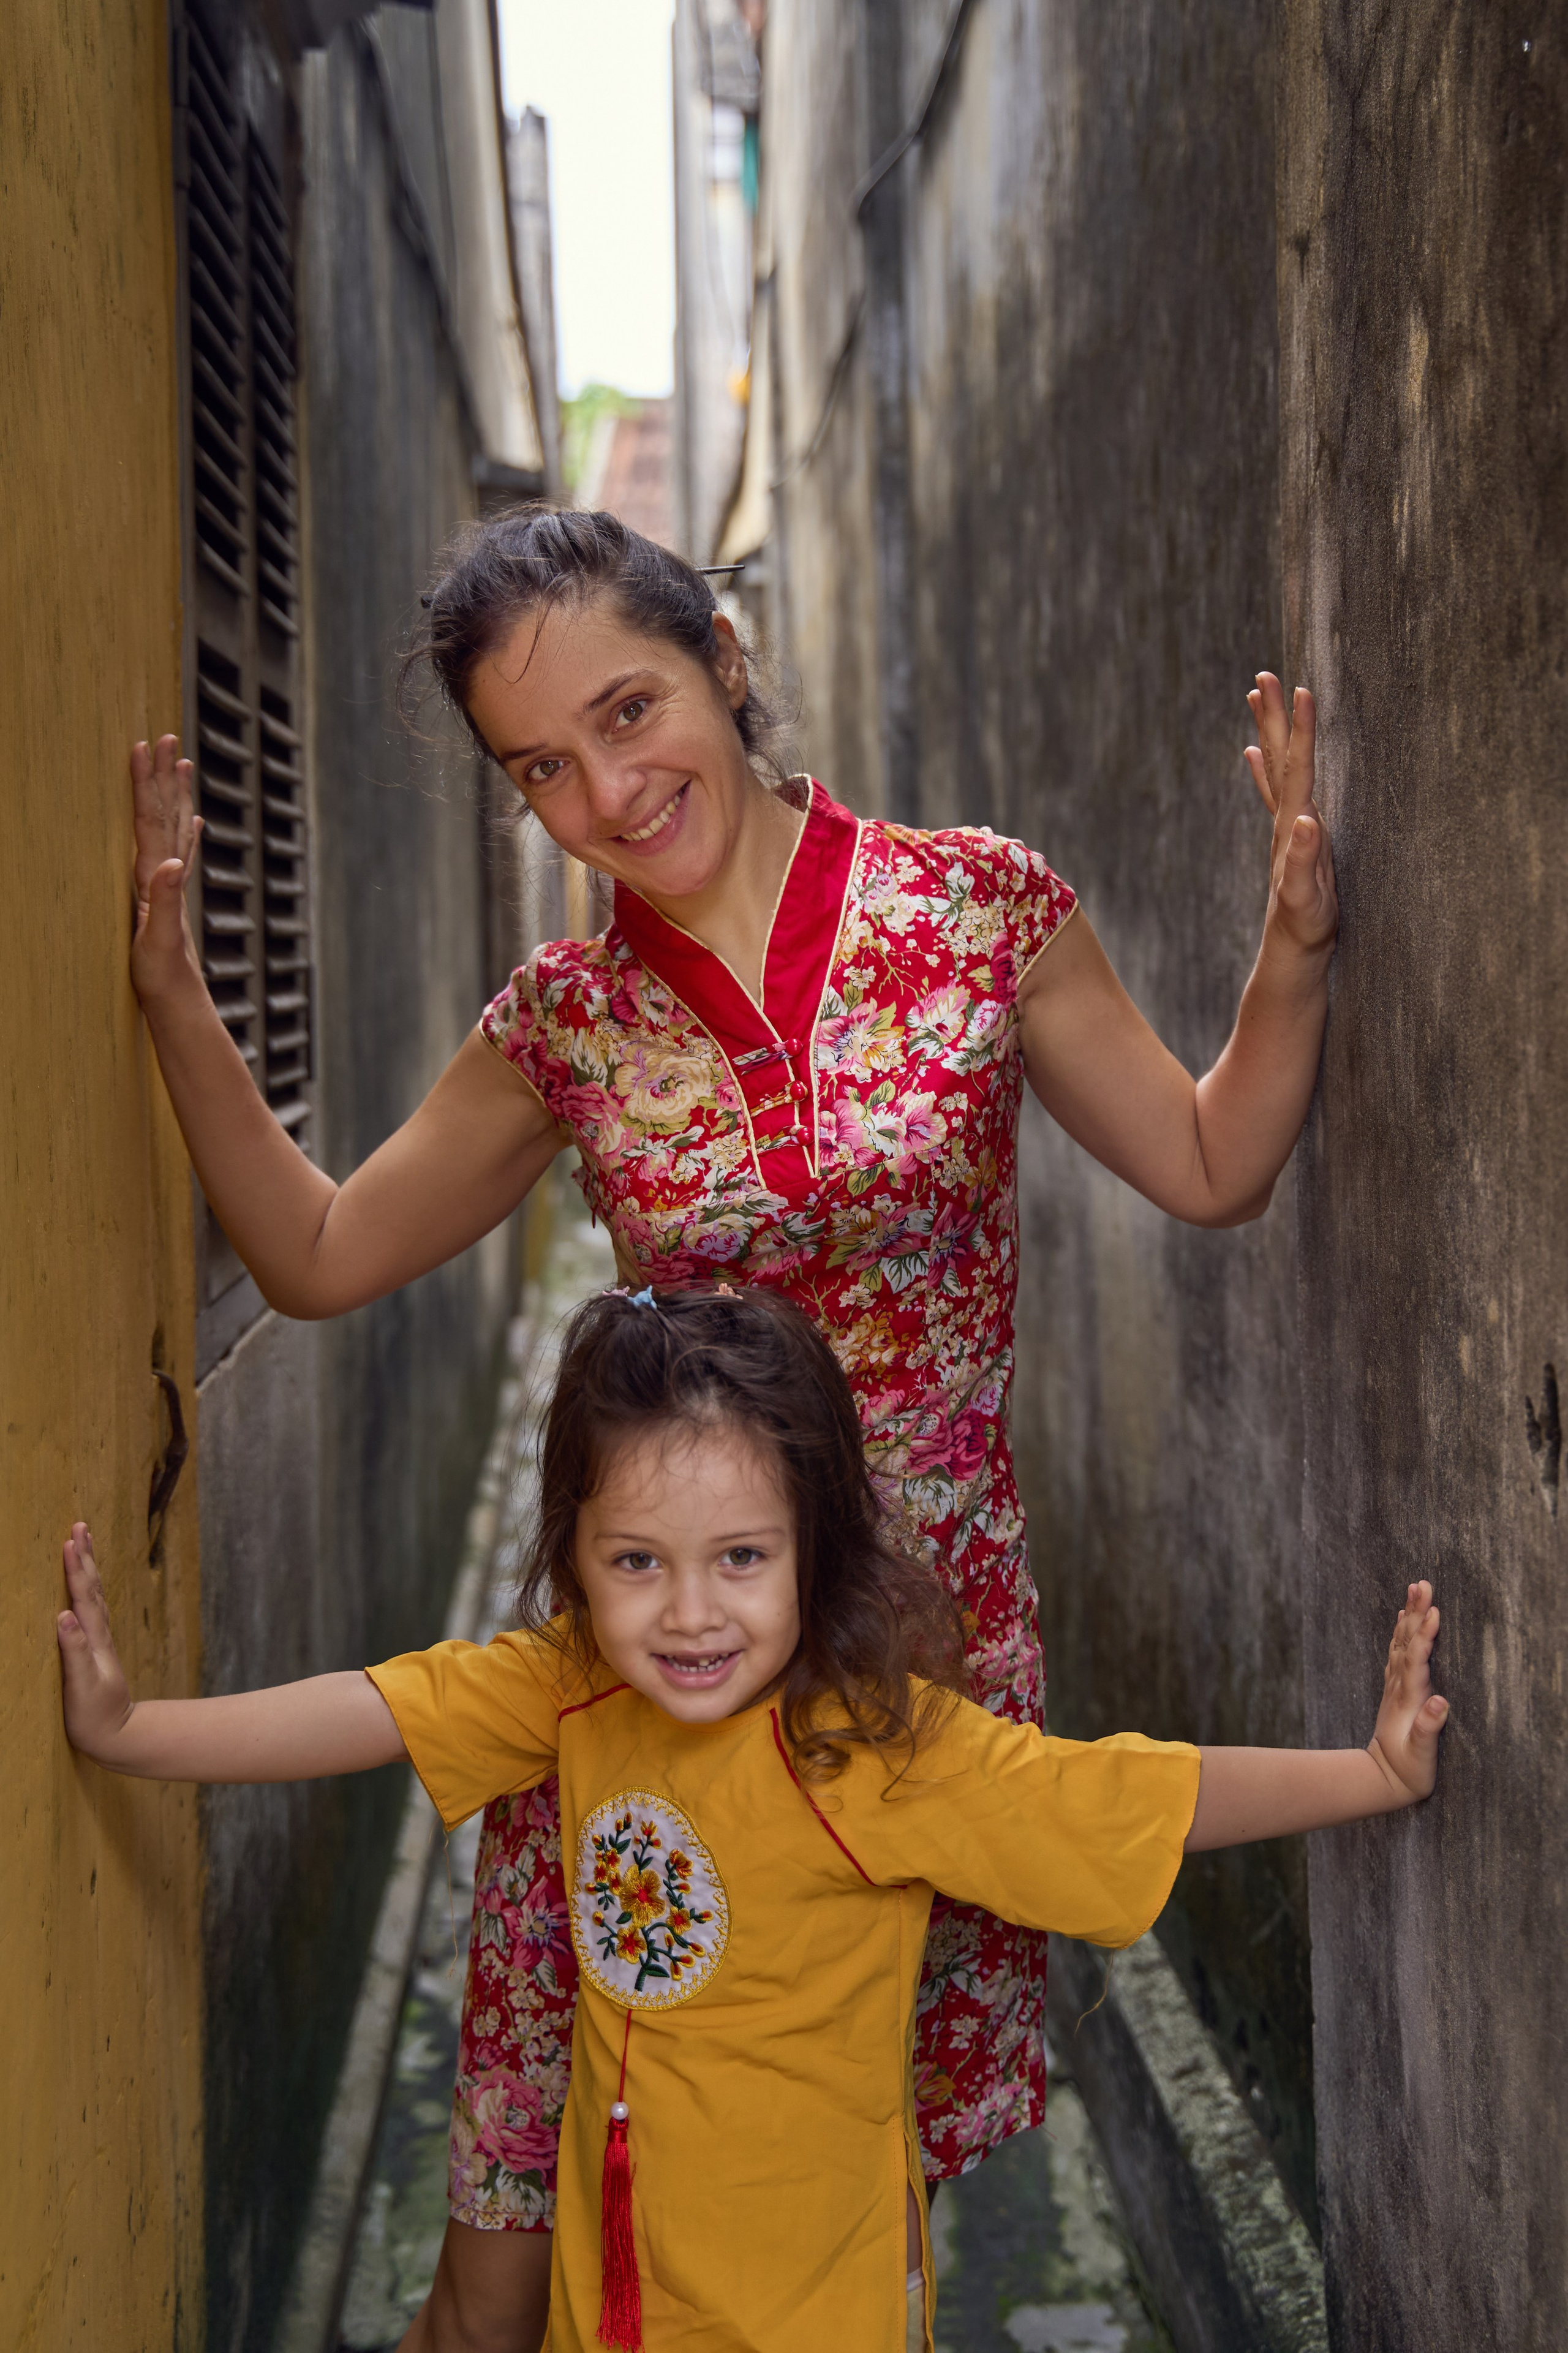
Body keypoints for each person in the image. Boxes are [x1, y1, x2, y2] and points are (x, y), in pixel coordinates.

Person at [127, 506, 1338, 2349]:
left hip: (902, 1703)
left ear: (724, 658)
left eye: (630, 712)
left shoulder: (971, 912)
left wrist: (1296, 950)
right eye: (542, 765)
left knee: (825, 2230)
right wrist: (175, 1005)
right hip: (642, 1698)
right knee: (513, 2237)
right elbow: (310, 1248)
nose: (608, 793)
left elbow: (1207, 1154)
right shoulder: (571, 1024)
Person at [58, 1286, 1445, 2353]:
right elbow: (369, 1710)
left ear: (812, 1549)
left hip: (810, 2306)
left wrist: (1365, 1774)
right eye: (635, 1562)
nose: (689, 1613)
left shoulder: (874, 1754)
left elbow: (1130, 1792)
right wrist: (133, 1732)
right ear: (576, 1560)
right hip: (619, 2291)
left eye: (739, 1558)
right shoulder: (574, 1688)